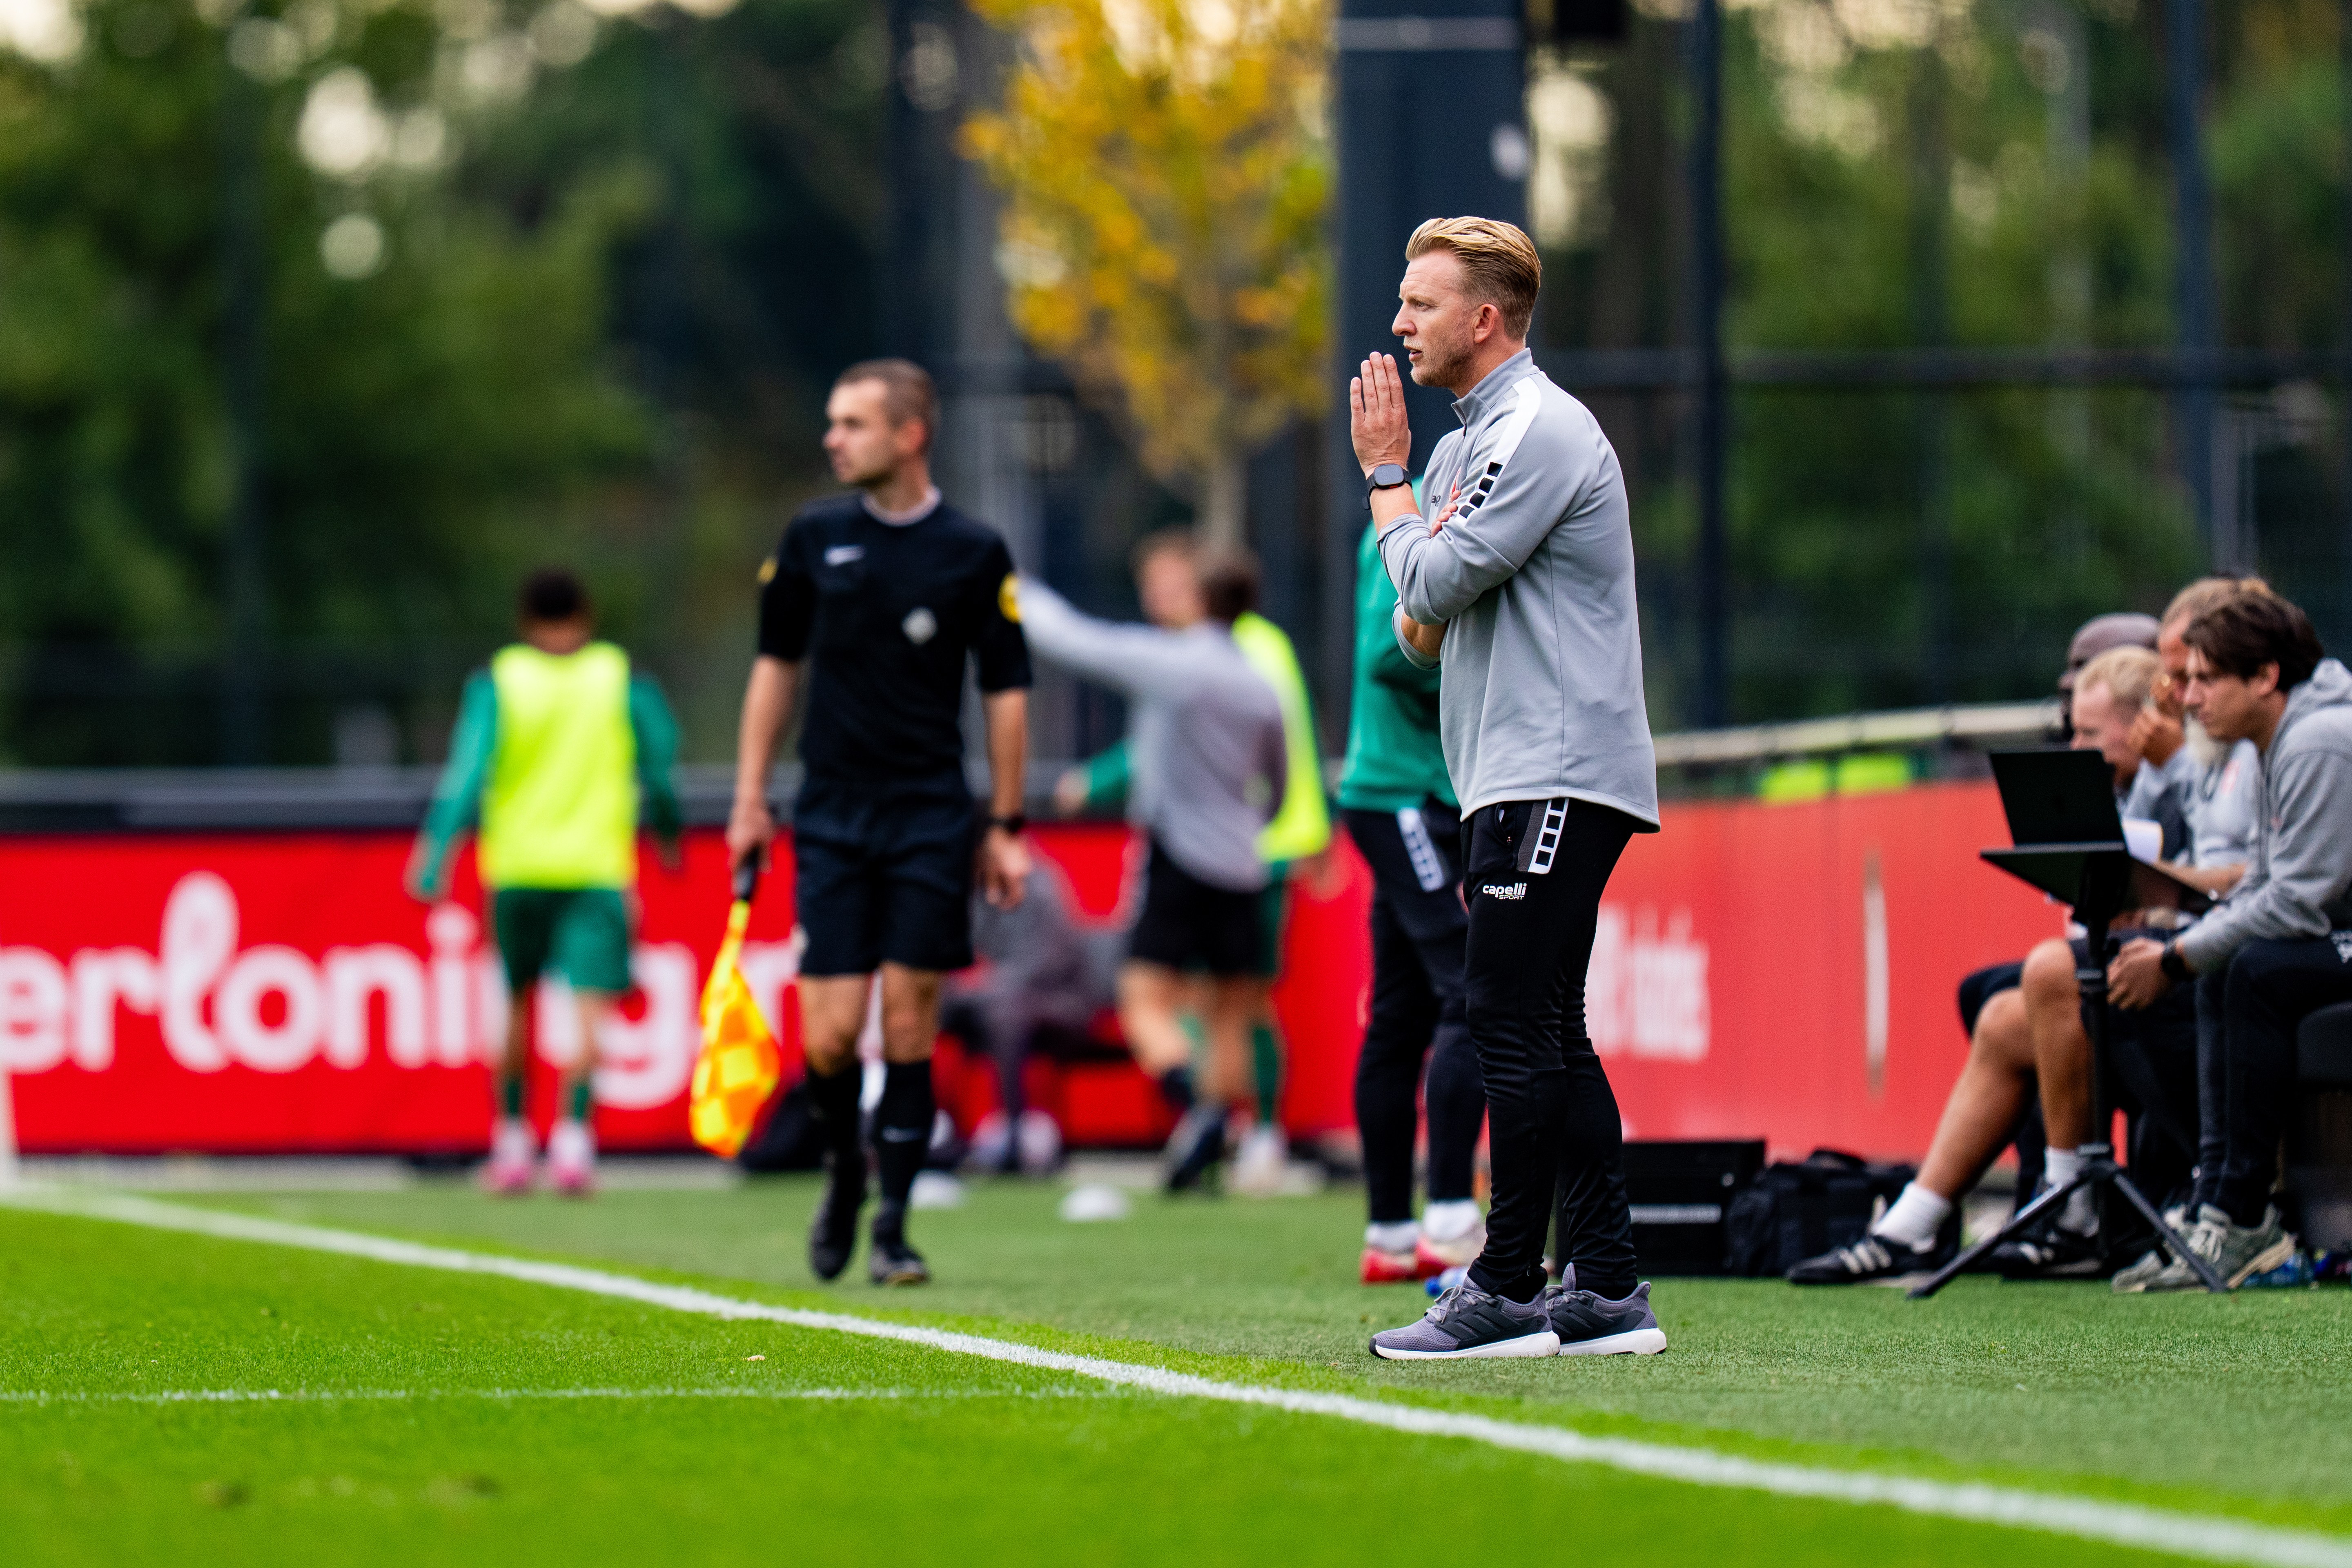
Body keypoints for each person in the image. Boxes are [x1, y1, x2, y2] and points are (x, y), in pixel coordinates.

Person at [1354, 216, 1666, 1359]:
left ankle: (1506, 1289)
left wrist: (1389, 485)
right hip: (1508, 771)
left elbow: (1427, 578)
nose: (1399, 324)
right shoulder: (1467, 445)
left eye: (1421, 304)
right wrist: (1417, 532)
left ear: (1485, 319)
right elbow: (1418, 632)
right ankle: (1608, 1291)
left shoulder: (1535, 428)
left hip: (1557, 769)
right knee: (1546, 1025)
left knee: (1501, 1015)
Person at [726, 358, 1033, 1287]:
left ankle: (895, 1225)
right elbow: (775, 668)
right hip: (830, 816)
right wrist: (750, 798)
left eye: (852, 422)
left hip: (932, 817)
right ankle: (847, 1171)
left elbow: (1006, 692)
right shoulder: (813, 538)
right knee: (826, 1036)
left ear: (909, 434)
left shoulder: (975, 552)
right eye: (832, 420)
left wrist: (1006, 821)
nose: (833, 439)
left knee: (908, 1020)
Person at [1786, 644, 2204, 1282]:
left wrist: (2155, 901)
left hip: (2200, 966)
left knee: (2045, 973)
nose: (2076, 748)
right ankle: (1917, 1222)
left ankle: (2070, 1210)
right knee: (2005, 1010)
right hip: (2157, 959)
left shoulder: (2200, 766)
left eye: (2090, 734)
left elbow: (2231, 876)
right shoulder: (2143, 780)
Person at [1018, 554, 1290, 1193]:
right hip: (1243, 865)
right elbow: (1277, 783)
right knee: (1230, 1013)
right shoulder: (1259, 683)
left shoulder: (1174, 665)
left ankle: (1191, 1103)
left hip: (1179, 857)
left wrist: (1016, 589)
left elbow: (1074, 640)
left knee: (1143, 999)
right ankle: (1222, 1122)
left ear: (1199, 598)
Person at [408, 568, 682, 1196]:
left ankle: (510, 1143)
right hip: (595, 868)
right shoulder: (618, 678)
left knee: (514, 999)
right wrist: (667, 837)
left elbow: (466, 770)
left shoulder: (501, 680)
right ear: (586, 613)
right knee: (589, 1007)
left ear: (525, 619)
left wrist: (434, 855)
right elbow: (661, 764)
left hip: (518, 867)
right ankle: (573, 1144)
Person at [2107, 591, 2352, 1288]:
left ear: (2266, 678)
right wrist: (2191, 943)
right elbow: (2268, 885)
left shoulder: (2319, 739)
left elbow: (2299, 905)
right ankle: (2218, 1204)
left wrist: (2179, 955)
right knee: (2228, 964)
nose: (2186, 699)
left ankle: (2245, 1219)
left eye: (2205, 679)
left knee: (2251, 972)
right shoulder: (2283, 735)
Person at [1338, 510, 1486, 1283]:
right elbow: (1385, 655)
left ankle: (1391, 1231)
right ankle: (1453, 1218)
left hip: (1413, 790)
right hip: (1401, 791)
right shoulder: (1423, 510)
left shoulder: (1436, 502)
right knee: (1470, 991)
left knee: (1401, 1013)